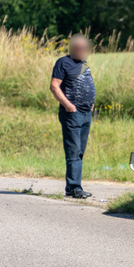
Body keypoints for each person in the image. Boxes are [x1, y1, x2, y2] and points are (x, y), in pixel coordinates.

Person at [50, 35, 96, 199]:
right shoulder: (63, 62)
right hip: (72, 114)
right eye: (82, 49)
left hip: (85, 113)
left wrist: (90, 102)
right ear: (74, 48)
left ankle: (72, 187)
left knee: (80, 151)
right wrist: (68, 105)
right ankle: (75, 187)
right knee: (74, 151)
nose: (85, 52)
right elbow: (54, 86)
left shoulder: (83, 64)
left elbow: (85, 84)